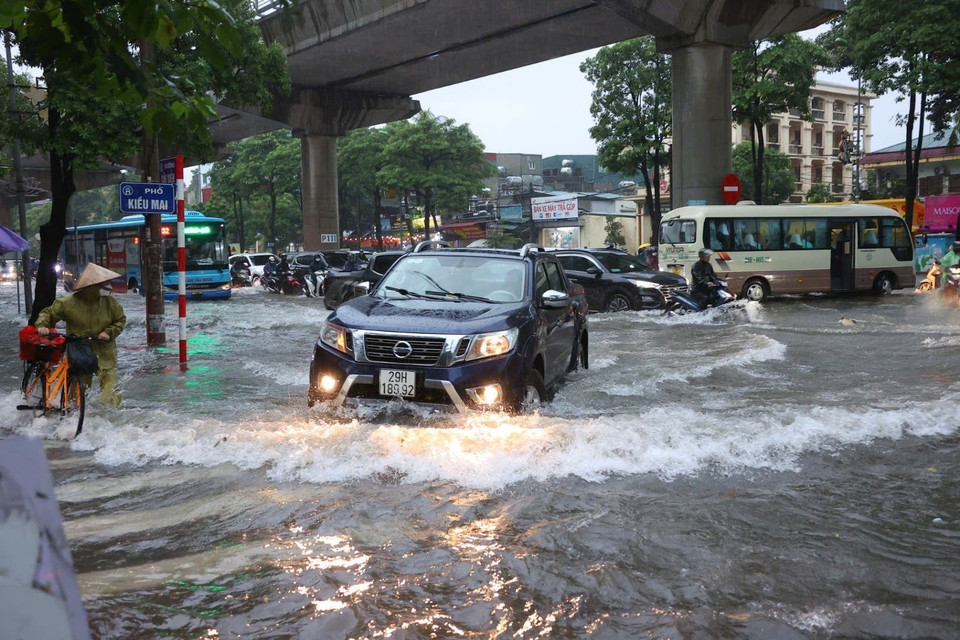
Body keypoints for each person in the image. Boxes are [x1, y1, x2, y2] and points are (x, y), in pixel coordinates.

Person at [35, 263, 126, 407]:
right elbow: (48, 314)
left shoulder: (111, 303)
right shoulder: (68, 303)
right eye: (103, 284)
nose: (108, 287)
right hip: (79, 351)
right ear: (93, 286)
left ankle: (112, 422)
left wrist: (109, 332)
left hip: (105, 352)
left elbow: (120, 320)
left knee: (111, 394)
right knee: (76, 395)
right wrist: (42, 326)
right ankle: (73, 419)